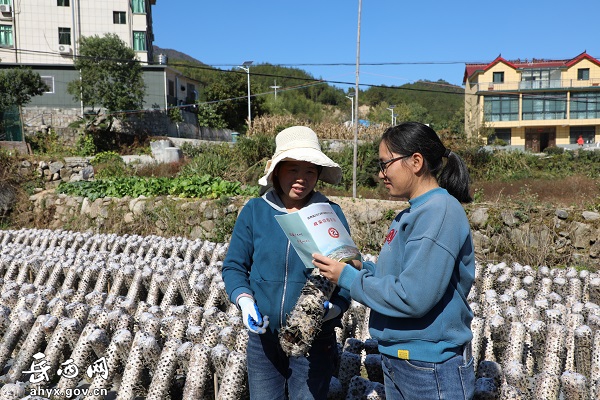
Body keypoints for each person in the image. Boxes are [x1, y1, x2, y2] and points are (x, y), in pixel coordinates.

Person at [313, 122, 476, 400]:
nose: (380, 174)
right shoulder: (409, 215)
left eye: (385, 164)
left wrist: (349, 278)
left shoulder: (439, 213)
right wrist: (360, 268)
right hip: (404, 359)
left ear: (416, 161)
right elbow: (398, 278)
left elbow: (413, 296)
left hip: (429, 366)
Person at [222, 126, 352, 400]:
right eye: (292, 170)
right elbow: (234, 266)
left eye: (309, 171)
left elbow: (349, 271)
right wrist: (244, 300)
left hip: (313, 340)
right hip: (264, 339)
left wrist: (334, 309)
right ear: (277, 171)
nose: (301, 179)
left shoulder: (329, 214)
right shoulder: (256, 211)